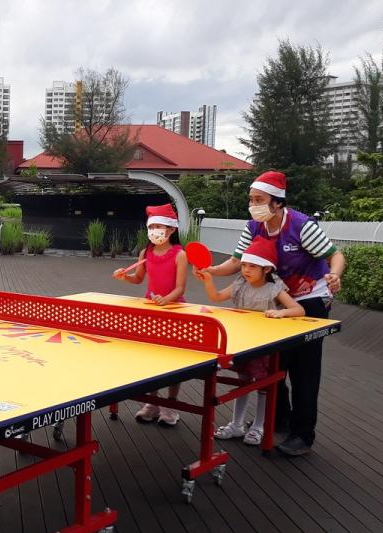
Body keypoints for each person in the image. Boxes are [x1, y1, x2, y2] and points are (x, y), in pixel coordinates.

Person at [201, 170, 345, 457]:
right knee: (274, 362)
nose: (253, 204)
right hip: (274, 299)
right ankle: (279, 419)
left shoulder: (302, 225)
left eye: (259, 199)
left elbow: (334, 255)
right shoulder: (253, 226)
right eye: (251, 199)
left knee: (303, 369)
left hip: (309, 299)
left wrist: (334, 275)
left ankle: (303, 435)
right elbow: (236, 261)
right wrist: (212, 271)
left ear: (277, 202)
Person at [195, 236, 305, 446]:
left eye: (252, 266)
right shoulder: (240, 284)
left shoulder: (274, 288)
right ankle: (237, 425)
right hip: (242, 342)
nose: (246, 269)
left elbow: (299, 309)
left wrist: (281, 313)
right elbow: (216, 297)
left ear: (266, 269)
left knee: (263, 385)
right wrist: (208, 280)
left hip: (264, 344)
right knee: (243, 381)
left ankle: (259, 426)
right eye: (244, 264)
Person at [113, 203, 188, 426]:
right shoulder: (145, 252)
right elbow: (137, 278)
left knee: (175, 360)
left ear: (172, 229)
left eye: (161, 226)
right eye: (152, 226)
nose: (156, 230)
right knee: (152, 359)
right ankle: (152, 403)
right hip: (150, 310)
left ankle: (171, 405)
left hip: (174, 311)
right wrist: (123, 276)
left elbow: (180, 288)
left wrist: (167, 299)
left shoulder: (180, 254)